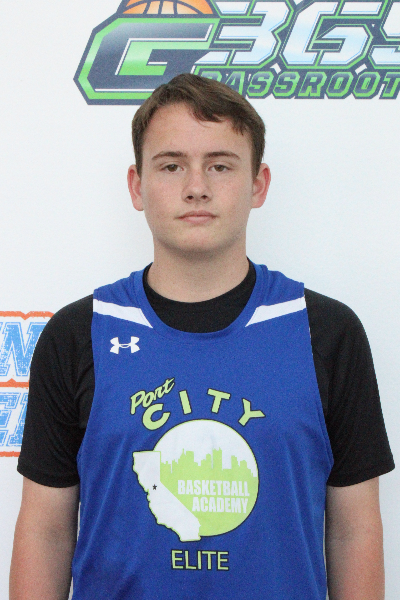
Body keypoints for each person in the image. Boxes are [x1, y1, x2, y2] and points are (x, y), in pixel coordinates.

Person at [10, 74, 394, 600]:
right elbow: (46, 529)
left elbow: (354, 527)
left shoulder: (325, 332)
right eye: (171, 166)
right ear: (137, 186)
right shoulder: (79, 334)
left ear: (258, 184)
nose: (196, 186)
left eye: (220, 165)